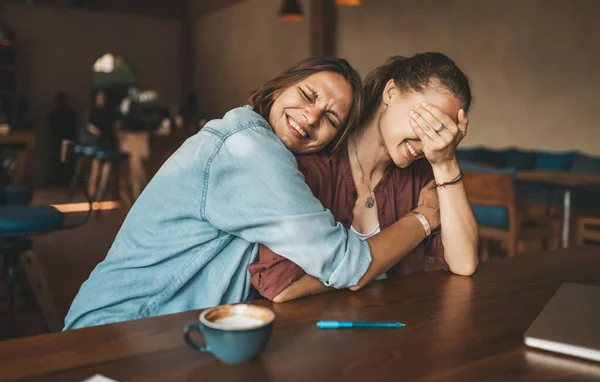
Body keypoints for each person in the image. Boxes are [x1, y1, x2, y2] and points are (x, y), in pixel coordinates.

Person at [63, 56, 439, 330]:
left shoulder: (265, 146)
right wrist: (424, 218)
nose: (310, 117)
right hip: (120, 327)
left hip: (170, 331)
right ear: (279, 87)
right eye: (308, 95)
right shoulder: (250, 148)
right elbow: (347, 265)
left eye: (330, 119)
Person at [249, 52, 479, 302]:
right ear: (391, 92)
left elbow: (464, 263)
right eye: (427, 122)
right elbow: (283, 286)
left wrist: (446, 162)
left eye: (442, 132)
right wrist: (422, 220)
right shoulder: (311, 166)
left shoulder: (423, 173)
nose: (428, 143)